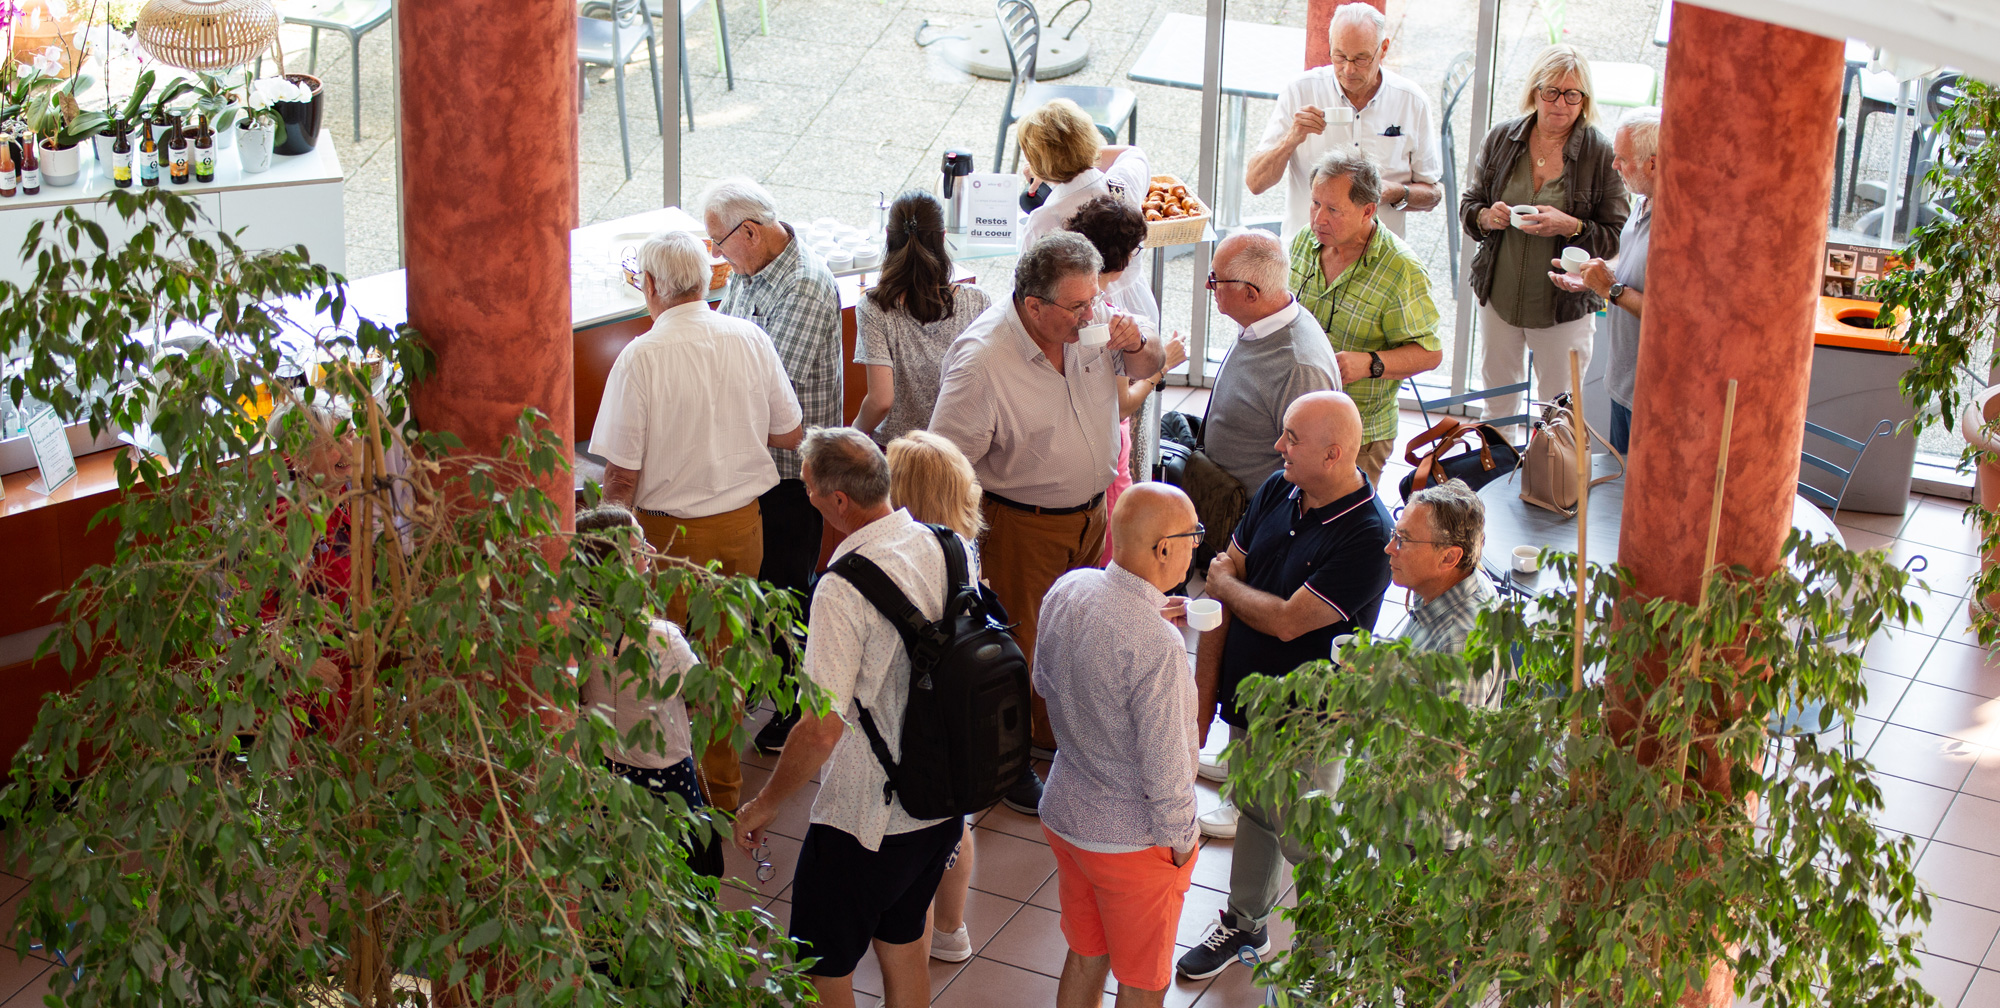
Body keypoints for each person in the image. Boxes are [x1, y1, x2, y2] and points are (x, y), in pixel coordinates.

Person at [929, 232, 1166, 814]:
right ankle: (1012, 767)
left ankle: (1061, 738)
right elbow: (945, 465)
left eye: (1097, 301)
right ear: (1033, 306)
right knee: (1022, 645)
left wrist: (1138, 342)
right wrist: (962, 554)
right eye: (1080, 306)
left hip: (1092, 514)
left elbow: (1152, 364)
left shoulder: (1090, 322)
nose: (1095, 314)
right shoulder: (983, 360)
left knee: (1080, 636)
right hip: (1021, 524)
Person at [733, 428, 967, 1008]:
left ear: (840, 501)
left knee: (822, 965)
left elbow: (820, 727)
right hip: (940, 799)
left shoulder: (842, 588)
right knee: (904, 941)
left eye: (810, 491)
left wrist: (764, 802)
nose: (807, 499)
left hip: (867, 818)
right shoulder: (948, 546)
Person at [1177, 391, 1392, 979]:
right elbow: (1231, 580)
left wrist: (1226, 587)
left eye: (1291, 438)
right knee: (1252, 808)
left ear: (1335, 452)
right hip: (1249, 697)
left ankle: (1328, 960)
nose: (1278, 447)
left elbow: (1285, 618)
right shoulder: (1279, 489)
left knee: (1309, 838)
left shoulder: (1368, 536)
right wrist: (1207, 692)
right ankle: (1244, 926)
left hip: (1310, 717)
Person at [591, 228, 805, 812]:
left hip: (667, 540)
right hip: (743, 526)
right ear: (709, 278)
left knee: (662, 678)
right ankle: (723, 794)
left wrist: (610, 547)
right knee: (724, 668)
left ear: (652, 287)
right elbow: (788, 430)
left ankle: (668, 801)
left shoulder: (641, 357)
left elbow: (621, 477)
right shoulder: (749, 337)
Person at [1036, 482, 1204, 1008]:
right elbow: (1167, 772)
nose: (1197, 545)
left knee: (1086, 953)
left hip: (1067, 813)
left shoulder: (1069, 589)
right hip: (1133, 845)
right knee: (1141, 980)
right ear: (1163, 549)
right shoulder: (1160, 646)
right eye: (1192, 535)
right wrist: (1183, 845)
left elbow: (1044, 682)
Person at [699, 177, 843, 756]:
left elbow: (766, 388)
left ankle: (797, 709)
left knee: (788, 593)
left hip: (790, 471)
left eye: (719, 243)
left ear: (751, 232)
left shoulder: (805, 286)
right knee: (768, 589)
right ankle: (776, 689)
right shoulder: (751, 270)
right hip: (755, 464)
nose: (716, 255)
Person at [1459, 44, 1630, 433]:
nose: (1561, 103)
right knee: (1497, 408)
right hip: (1498, 298)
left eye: (1573, 94)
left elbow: (1619, 235)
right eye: (1551, 91)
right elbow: (1470, 205)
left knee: (1557, 420)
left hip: (1563, 308)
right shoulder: (1503, 137)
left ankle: (1548, 492)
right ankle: (1494, 479)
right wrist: (1487, 216)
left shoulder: (1600, 154)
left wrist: (1570, 226)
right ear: (1534, 91)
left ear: (1584, 100)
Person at [573, 504, 724, 879]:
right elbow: (708, 699)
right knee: (684, 878)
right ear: (622, 571)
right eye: (641, 549)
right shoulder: (662, 638)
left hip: (607, 777)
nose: (653, 553)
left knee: (620, 877)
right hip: (667, 780)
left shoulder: (577, 630)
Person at [883, 430, 986, 964]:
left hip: (916, 711)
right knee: (958, 823)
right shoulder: (963, 548)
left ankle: (915, 937)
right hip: (961, 706)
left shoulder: (904, 555)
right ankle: (952, 928)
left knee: (918, 832)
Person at [1288, 149, 1443, 484]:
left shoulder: (1401, 270)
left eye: (1333, 210)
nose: (1319, 219)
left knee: (1339, 531)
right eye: (1315, 204)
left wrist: (1369, 363)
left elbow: (1431, 354)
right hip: (1297, 418)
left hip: (1359, 435)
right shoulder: (1305, 241)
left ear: (1368, 211)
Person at [1247, 2, 1442, 243]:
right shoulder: (1300, 91)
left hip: (1379, 258)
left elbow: (1432, 194)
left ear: (1383, 49)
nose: (1348, 70)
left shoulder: (1411, 101)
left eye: (1361, 59)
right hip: (1308, 254)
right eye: (1339, 56)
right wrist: (1291, 138)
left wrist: (1395, 193)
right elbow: (1255, 183)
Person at [1063, 194, 1187, 562]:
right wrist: (1161, 371)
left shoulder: (1068, 294)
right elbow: (1121, 406)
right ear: (1125, 257)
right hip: (1104, 458)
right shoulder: (1108, 316)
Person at [1549, 106, 1658, 454]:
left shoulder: (1676, 227)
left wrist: (1611, 288)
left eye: (1622, 158)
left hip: (1650, 394)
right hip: (1624, 382)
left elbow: (1667, 315)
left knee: (1632, 494)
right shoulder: (1642, 203)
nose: (1614, 166)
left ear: (1653, 164)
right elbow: (1632, 270)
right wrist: (1593, 279)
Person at [1204, 230, 1341, 494]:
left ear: (1250, 294)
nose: (1208, 286)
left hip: (1251, 517)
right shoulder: (1262, 321)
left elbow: (1311, 473)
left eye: (1216, 279)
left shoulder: (1299, 369)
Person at [854, 191, 992, 447]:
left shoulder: (874, 307)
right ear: (942, 237)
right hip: (955, 449)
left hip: (898, 450)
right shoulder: (978, 301)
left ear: (887, 236)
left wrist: (853, 434)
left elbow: (881, 401)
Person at [1017, 98, 1151, 253]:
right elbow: (1133, 153)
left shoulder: (1042, 221)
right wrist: (1080, 152)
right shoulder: (1124, 184)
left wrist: (1047, 167)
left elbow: (1023, 276)